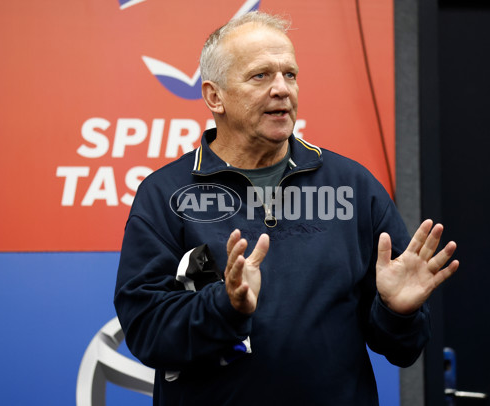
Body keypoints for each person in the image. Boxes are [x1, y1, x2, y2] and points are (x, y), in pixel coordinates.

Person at [114, 11, 459, 406]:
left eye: (290, 74)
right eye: (261, 75)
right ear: (214, 96)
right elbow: (146, 332)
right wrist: (225, 307)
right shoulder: (164, 194)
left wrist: (397, 313)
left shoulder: (353, 186)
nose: (282, 89)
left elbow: (404, 348)